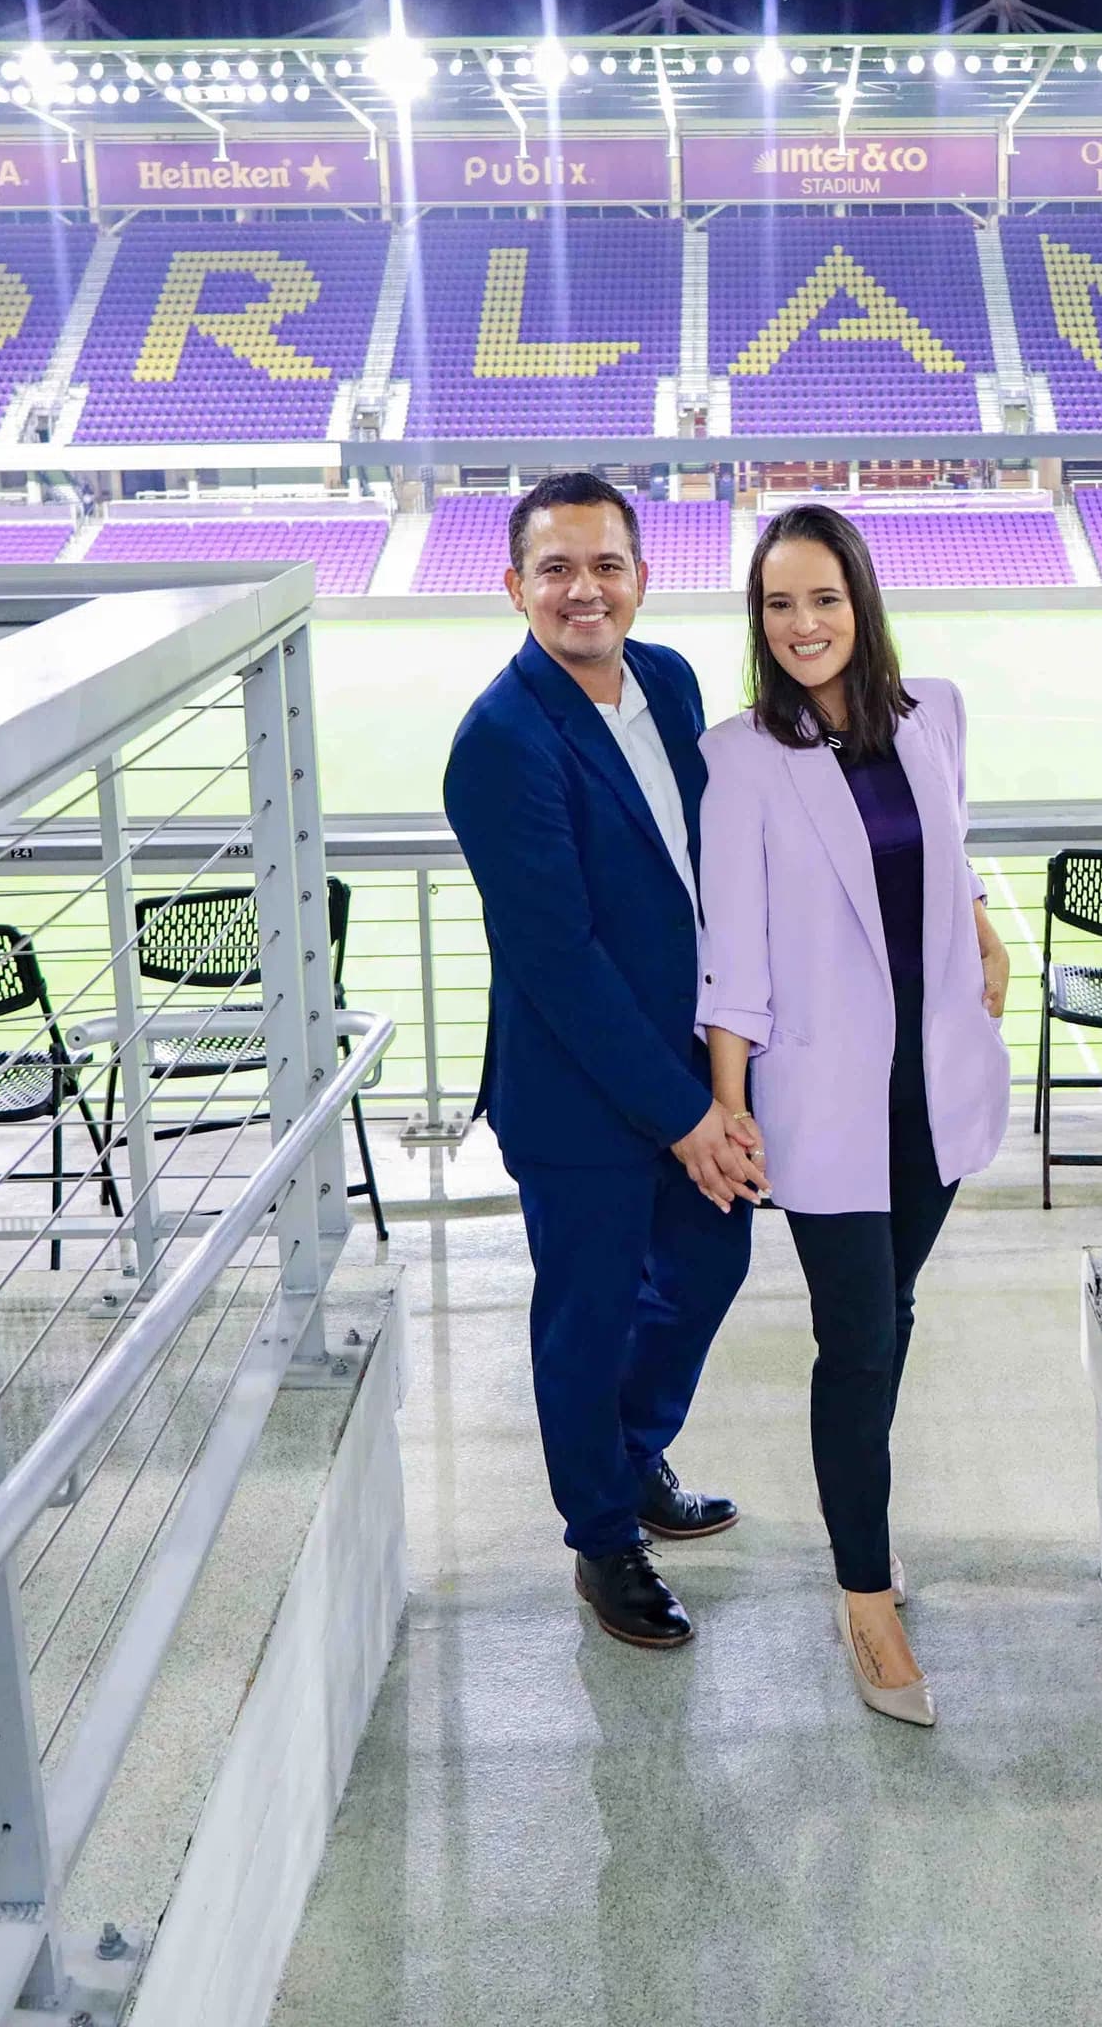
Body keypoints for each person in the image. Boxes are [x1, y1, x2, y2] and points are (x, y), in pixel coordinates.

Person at [694, 503, 1013, 1726]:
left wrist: (981, 927)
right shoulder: (743, 757)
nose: (803, 623)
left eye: (823, 597)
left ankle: (861, 1520)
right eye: (779, 604)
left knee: (899, 1308)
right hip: (825, 1100)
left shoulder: (934, 710)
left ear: (861, 600)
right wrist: (728, 1103)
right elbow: (733, 950)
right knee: (861, 1338)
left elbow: (949, 848)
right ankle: (866, 1591)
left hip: (931, 1089)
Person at [442, 471, 766, 1652]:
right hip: (582, 1091)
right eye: (558, 568)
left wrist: (719, 1084)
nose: (585, 589)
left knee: (707, 1262)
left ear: (641, 572)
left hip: (691, 1064)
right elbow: (563, 960)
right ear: (515, 584)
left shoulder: (671, 679)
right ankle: (599, 1537)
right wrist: (690, 1115)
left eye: (606, 564)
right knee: (584, 1317)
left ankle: (631, 1461)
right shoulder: (499, 741)